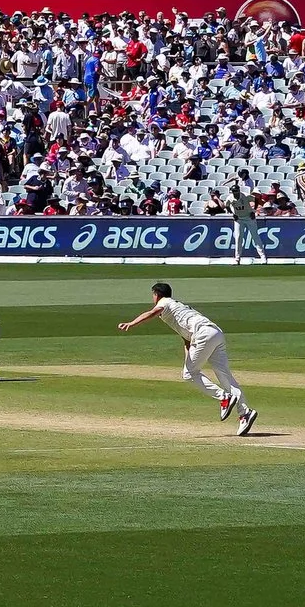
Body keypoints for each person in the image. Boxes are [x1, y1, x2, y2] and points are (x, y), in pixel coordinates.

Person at [118, 280, 256, 434]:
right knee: (224, 375)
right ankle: (245, 413)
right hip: (215, 333)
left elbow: (152, 313)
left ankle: (224, 397)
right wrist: (187, 361)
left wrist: (132, 323)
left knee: (189, 374)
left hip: (203, 334)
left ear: (157, 295)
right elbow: (186, 339)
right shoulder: (178, 309)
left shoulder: (165, 302)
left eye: (153, 295)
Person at [227, 182, 267, 265]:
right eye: (234, 191)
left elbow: (256, 200)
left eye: (237, 191)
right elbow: (227, 206)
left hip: (249, 218)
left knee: (255, 236)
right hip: (239, 219)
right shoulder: (230, 198)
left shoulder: (245, 196)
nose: (236, 193)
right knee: (238, 238)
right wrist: (233, 214)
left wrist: (254, 211)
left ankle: (263, 257)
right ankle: (237, 259)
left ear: (239, 191)